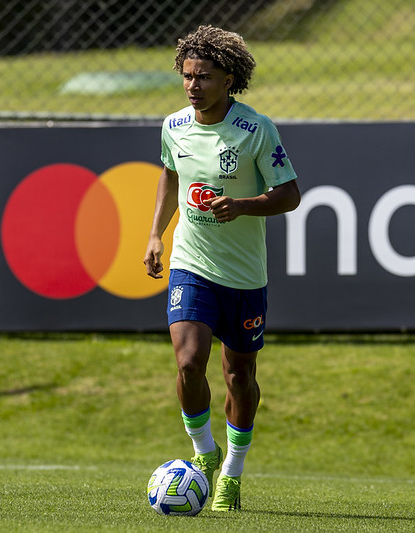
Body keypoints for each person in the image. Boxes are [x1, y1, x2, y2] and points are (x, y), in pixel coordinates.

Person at [143, 24, 300, 512]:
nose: (193, 85)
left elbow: (290, 195)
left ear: (228, 78)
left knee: (239, 376)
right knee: (189, 361)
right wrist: (155, 234)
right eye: (187, 76)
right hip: (192, 262)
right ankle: (204, 454)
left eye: (204, 76)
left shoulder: (257, 130)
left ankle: (233, 469)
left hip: (245, 274)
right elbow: (170, 178)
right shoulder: (173, 126)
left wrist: (245, 205)